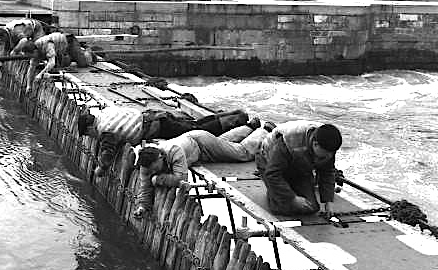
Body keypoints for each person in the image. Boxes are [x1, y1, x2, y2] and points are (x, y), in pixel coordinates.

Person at [133, 125, 273, 218]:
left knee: (241, 153)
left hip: (200, 142)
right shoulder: (146, 163)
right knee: (224, 145)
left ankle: (265, 130)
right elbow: (145, 188)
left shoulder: (175, 151)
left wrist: (158, 179)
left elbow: (181, 178)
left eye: (153, 168)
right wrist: (142, 206)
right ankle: (249, 127)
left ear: (159, 158)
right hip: (196, 146)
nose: (151, 171)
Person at [78, 105, 257, 177]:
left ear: (90, 128)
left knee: (199, 130)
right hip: (154, 116)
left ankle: (238, 120)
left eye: (88, 135)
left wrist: (101, 168)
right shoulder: (104, 113)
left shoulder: (104, 130)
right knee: (194, 125)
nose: (92, 138)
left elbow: (107, 152)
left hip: (156, 126)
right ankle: (235, 115)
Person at [255, 121, 342, 217]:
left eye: (331, 154)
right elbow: (272, 174)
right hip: (267, 161)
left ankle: (285, 189)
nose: (328, 157)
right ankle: (273, 195)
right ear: (315, 144)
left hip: (298, 165)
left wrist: (328, 201)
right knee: (285, 207)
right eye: (323, 156)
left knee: (311, 207)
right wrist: (292, 198)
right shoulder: (290, 141)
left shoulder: (328, 146)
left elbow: (327, 172)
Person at [10, 31, 94, 92]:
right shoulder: (34, 54)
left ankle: (88, 51)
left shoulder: (47, 45)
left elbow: (51, 63)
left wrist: (40, 74)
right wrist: (29, 86)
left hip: (69, 41)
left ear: (35, 51)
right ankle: (70, 57)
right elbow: (31, 68)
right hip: (60, 50)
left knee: (83, 64)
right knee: (63, 65)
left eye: (33, 55)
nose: (33, 58)